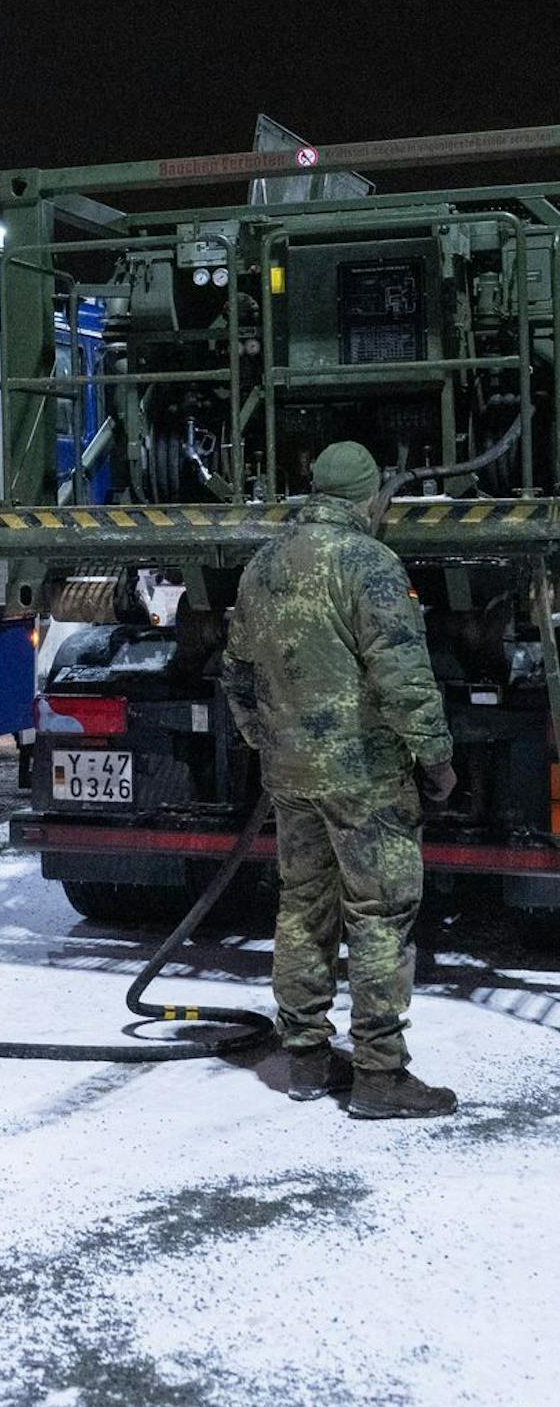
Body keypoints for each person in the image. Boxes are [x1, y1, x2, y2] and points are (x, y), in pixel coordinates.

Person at [222, 440, 458, 1118]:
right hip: (366, 777)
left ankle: (305, 1062)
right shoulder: (370, 563)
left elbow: (236, 673)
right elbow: (403, 676)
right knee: (380, 916)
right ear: (368, 498)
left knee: (303, 909)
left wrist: (265, 742)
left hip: (291, 777)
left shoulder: (263, 566)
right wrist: (435, 759)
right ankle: (380, 1078)